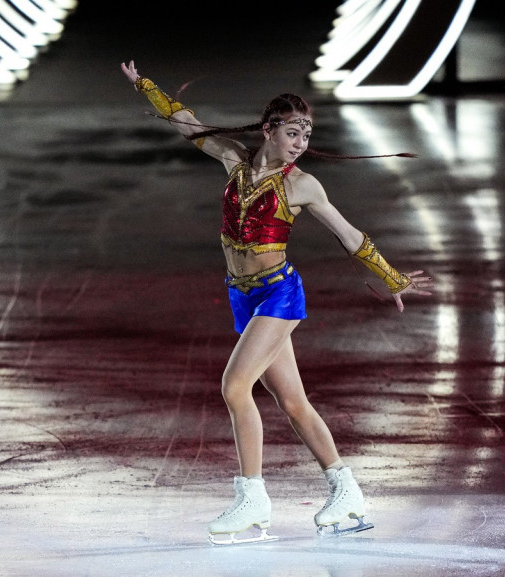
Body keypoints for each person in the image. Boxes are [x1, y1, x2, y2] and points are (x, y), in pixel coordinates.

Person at [120, 60, 433, 545]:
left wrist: (393, 279)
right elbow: (190, 125)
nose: (301, 142)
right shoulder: (235, 162)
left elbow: (349, 236)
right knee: (292, 401)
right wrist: (145, 86)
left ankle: (252, 497)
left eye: (307, 134)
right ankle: (345, 489)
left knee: (234, 386)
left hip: (279, 294)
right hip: (241, 296)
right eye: (293, 131)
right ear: (269, 130)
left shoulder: (302, 185)